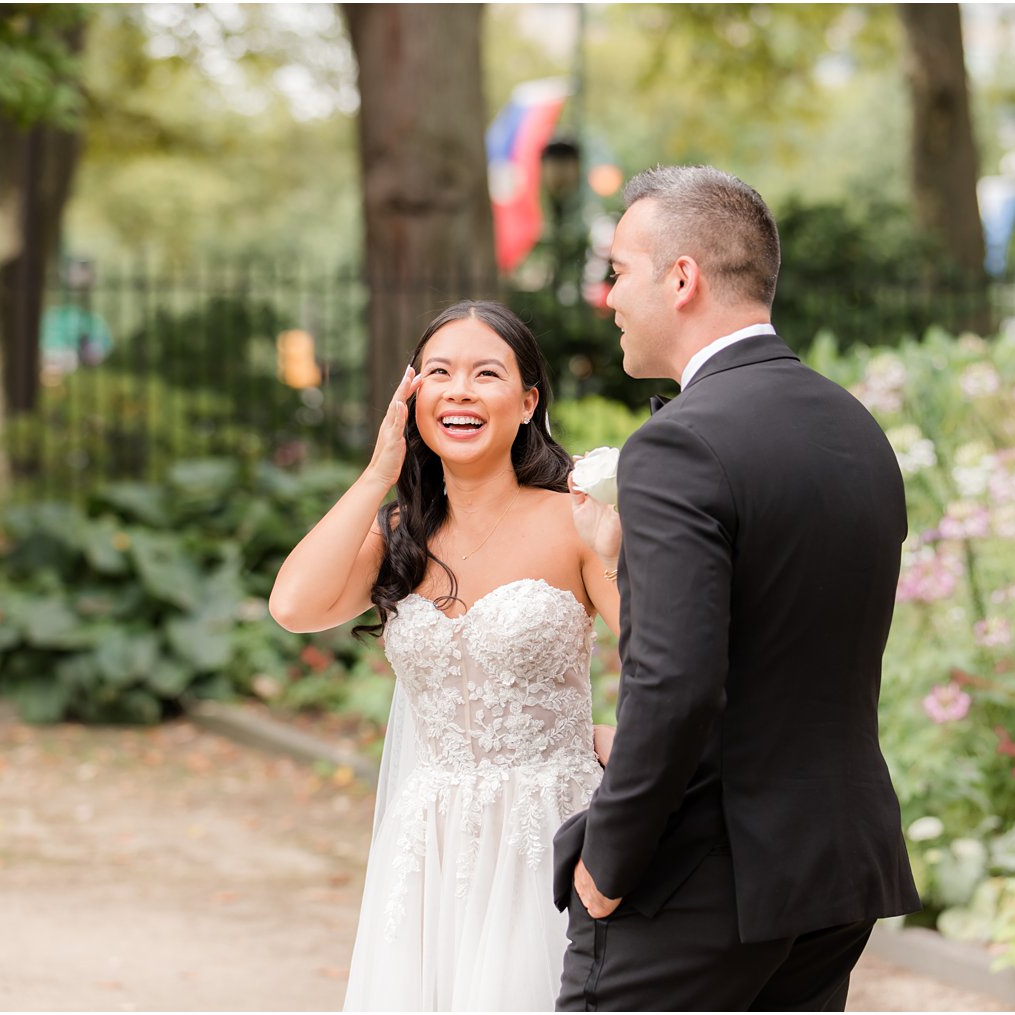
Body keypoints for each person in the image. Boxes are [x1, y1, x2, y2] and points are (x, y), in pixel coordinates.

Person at [554, 166, 920, 1011]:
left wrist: (606, 865)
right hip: (832, 870)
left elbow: (676, 684)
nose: (607, 297)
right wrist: (621, 562)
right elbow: (780, 632)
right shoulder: (854, 428)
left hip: (700, 883)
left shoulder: (680, 444)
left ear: (681, 279)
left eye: (618, 272)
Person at [269, 300, 620, 1011]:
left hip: (544, 828)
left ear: (527, 402)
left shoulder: (574, 520)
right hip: (426, 844)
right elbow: (294, 606)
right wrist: (377, 474)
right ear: (414, 398)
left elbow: (664, 655)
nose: (459, 389)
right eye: (439, 373)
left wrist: (631, 739)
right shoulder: (399, 531)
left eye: (485, 373)